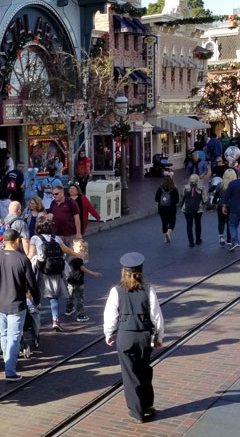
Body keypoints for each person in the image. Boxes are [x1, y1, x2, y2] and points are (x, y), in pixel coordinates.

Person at [104, 252, 165, 423]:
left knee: (130, 373)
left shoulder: (116, 291)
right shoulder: (149, 290)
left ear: (124, 271)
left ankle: (136, 411)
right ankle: (147, 405)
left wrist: (109, 333)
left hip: (125, 336)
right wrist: (160, 336)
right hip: (145, 336)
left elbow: (110, 315)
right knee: (145, 369)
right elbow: (156, 316)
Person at [0, 229, 39, 382]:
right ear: (16, 241)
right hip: (16, 303)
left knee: (4, 334)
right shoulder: (22, 260)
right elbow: (32, 283)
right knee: (14, 336)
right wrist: (36, 299)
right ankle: (10, 369)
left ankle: (7, 362)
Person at [27, 216, 79, 334]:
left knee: (36, 294)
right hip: (55, 270)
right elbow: (67, 250)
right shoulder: (56, 238)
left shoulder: (35, 238)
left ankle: (35, 321)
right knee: (53, 297)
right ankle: (55, 320)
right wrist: (78, 254)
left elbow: (30, 255)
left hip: (42, 269)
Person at [66, 249, 100, 324]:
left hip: (70, 280)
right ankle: (80, 315)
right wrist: (93, 273)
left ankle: (69, 309)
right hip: (78, 281)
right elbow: (83, 268)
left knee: (70, 296)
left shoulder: (70, 258)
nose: (82, 250)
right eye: (80, 248)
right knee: (80, 298)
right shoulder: (79, 259)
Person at [155, 175, 180, 244]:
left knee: (164, 223)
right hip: (171, 209)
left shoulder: (160, 188)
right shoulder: (174, 189)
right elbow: (177, 200)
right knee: (172, 222)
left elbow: (156, 199)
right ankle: (168, 233)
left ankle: (165, 238)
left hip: (162, 209)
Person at [214, 168, 236, 245]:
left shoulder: (220, 184)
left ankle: (221, 236)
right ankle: (229, 240)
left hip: (221, 205)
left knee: (221, 221)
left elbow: (216, 196)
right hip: (232, 206)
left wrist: (214, 203)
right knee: (230, 222)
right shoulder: (235, 185)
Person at [181, 174, 205, 246]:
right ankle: (198, 239)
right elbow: (205, 198)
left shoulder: (185, 187)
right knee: (198, 223)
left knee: (189, 224)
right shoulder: (201, 187)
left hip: (187, 208)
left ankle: (191, 242)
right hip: (198, 209)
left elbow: (182, 197)